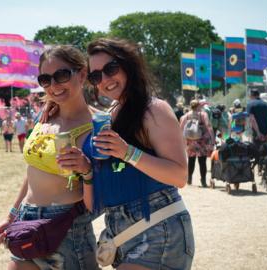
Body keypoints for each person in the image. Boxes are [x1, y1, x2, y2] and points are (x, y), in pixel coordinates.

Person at [77, 37, 193, 269]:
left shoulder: (153, 109)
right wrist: (85, 171)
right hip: (119, 234)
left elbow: (179, 176)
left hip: (159, 230)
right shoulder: (111, 114)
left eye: (111, 69)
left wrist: (128, 152)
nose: (105, 80)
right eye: (96, 76)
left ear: (127, 64)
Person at [0, 45, 99, 270]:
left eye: (62, 75)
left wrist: (86, 170)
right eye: (46, 79)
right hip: (28, 219)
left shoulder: (97, 124)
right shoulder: (44, 117)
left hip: (66, 226)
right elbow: (33, 172)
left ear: (82, 74)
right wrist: (13, 215)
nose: (54, 86)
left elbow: (98, 196)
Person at [180, 99, 214, 187]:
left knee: (191, 160)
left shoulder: (186, 116)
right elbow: (209, 126)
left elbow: (180, 129)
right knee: (202, 161)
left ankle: (189, 178)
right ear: (199, 105)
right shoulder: (203, 114)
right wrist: (212, 138)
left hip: (190, 142)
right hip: (202, 142)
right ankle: (203, 181)